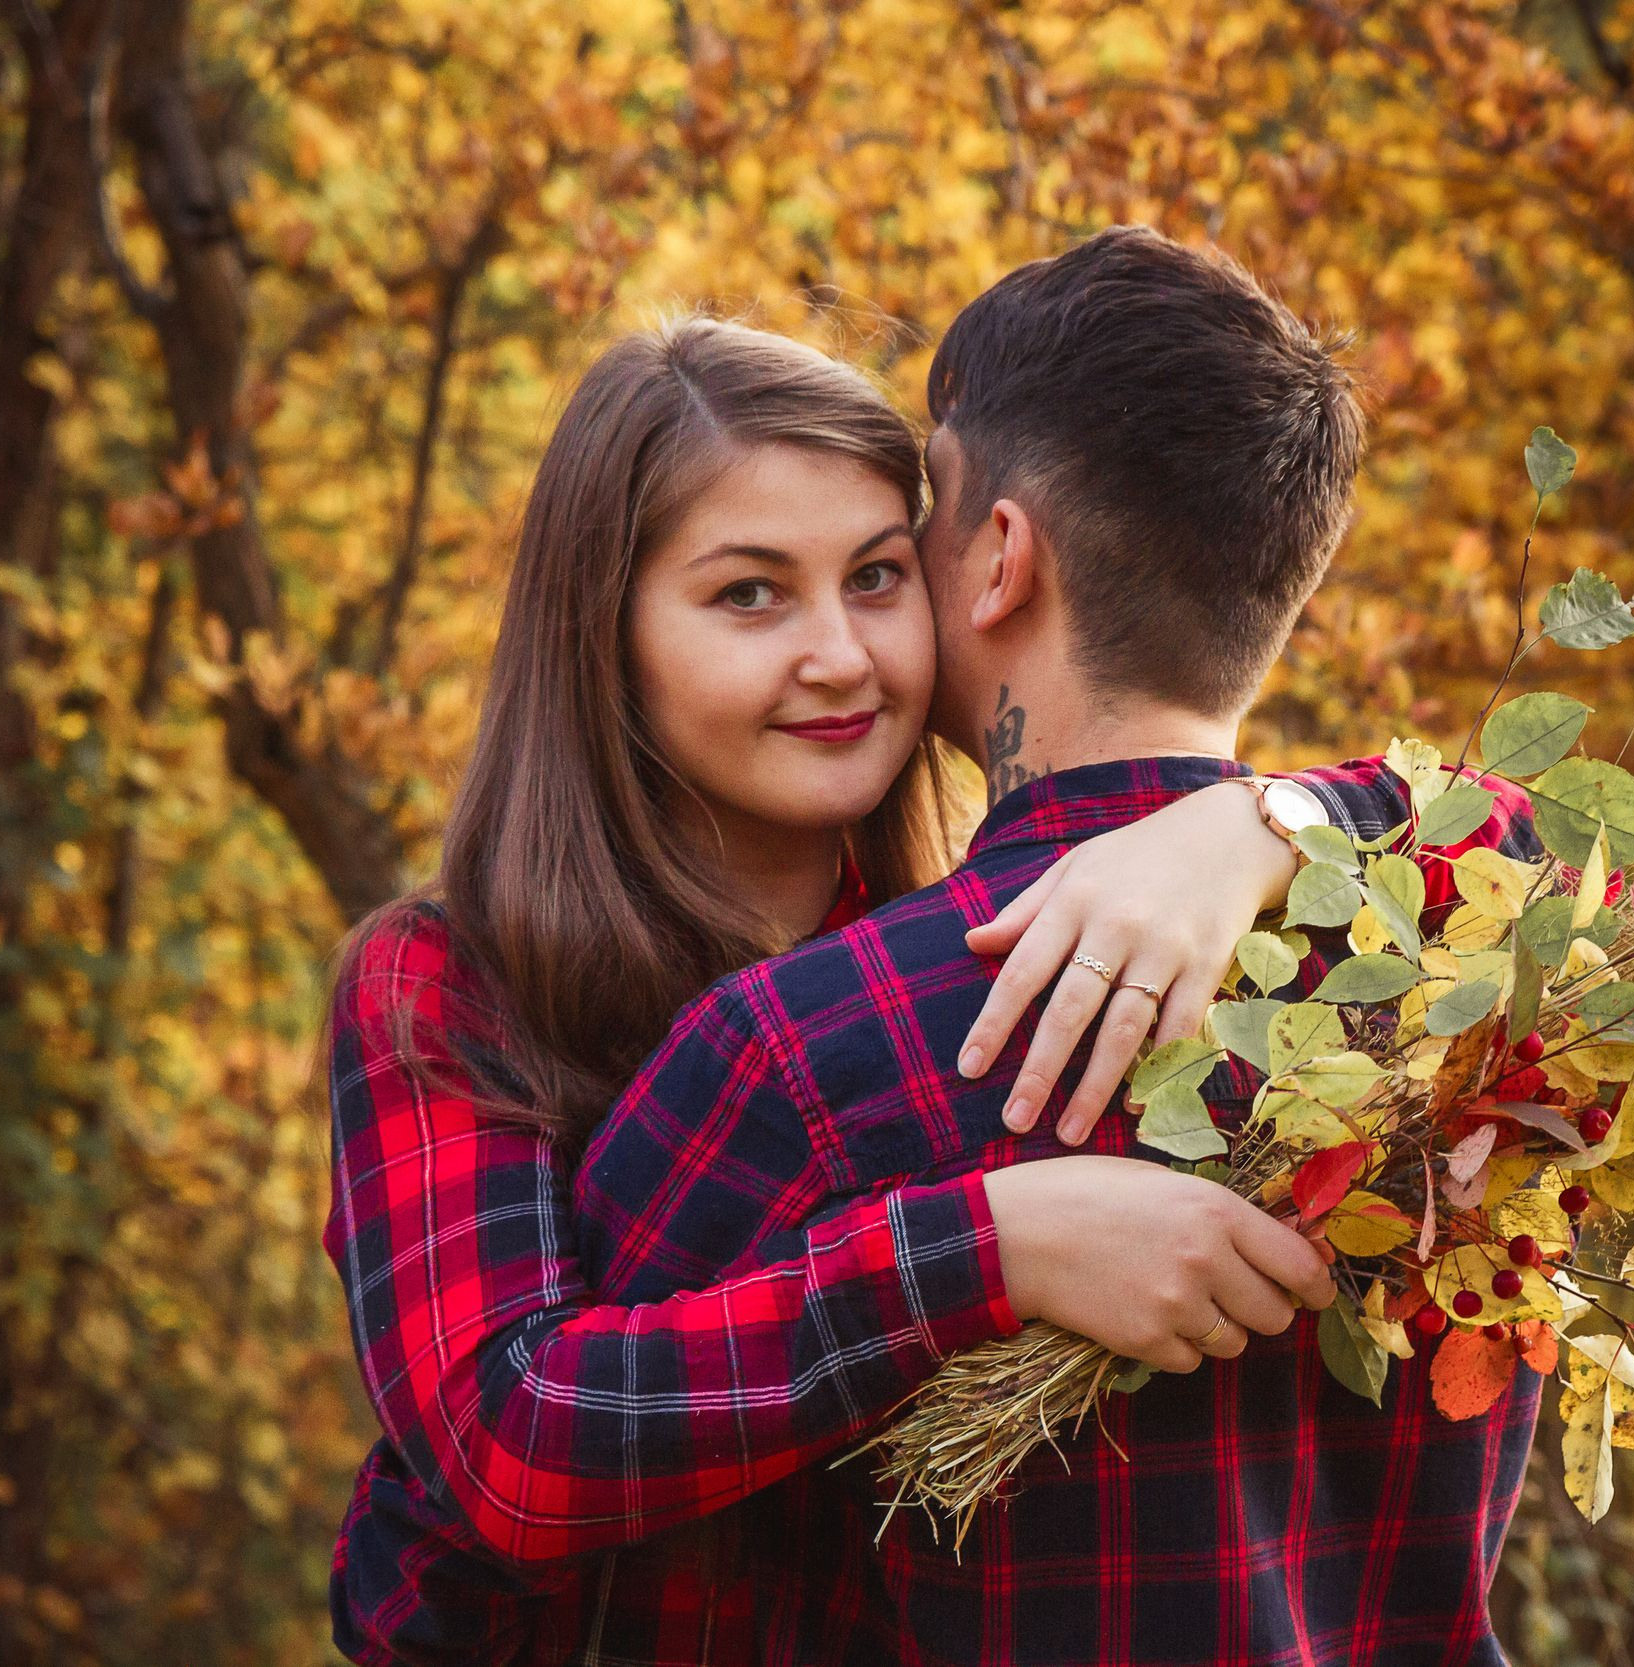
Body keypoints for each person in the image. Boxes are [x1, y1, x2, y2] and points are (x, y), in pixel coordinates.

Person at [324, 313, 1449, 1665]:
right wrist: (991, 1246)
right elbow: (507, 1443)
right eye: (749, 595)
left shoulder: (980, 941)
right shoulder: (453, 979)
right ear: (602, 631)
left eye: (873, 577)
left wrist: (1270, 820)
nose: (842, 657)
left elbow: (1550, 856)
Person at [573, 228, 1545, 1665]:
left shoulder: (799, 1052)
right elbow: (1587, 866)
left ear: (997, 563)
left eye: (911, 538)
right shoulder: (1498, 971)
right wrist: (1289, 817)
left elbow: (520, 1481)